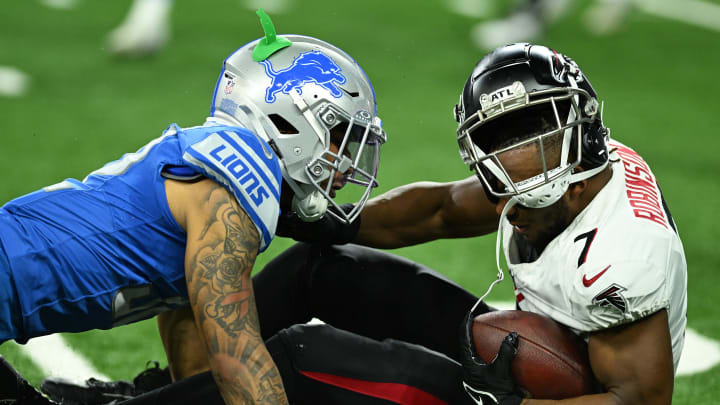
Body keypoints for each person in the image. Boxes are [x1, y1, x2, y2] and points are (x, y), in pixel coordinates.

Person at [44, 43, 685, 405]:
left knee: (302, 354)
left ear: (577, 125)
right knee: (320, 270)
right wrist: (320, 221)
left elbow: (640, 400)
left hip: (549, 396)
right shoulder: (555, 175)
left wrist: (506, 404)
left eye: (532, 130)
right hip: (518, 353)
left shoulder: (625, 251)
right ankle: (165, 396)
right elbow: (436, 210)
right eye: (500, 137)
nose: (516, 153)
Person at [0, 9, 386, 405]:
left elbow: (189, 343)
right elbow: (238, 361)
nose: (344, 163)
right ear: (287, 123)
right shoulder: (232, 191)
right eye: (338, 137)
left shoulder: (215, 166)